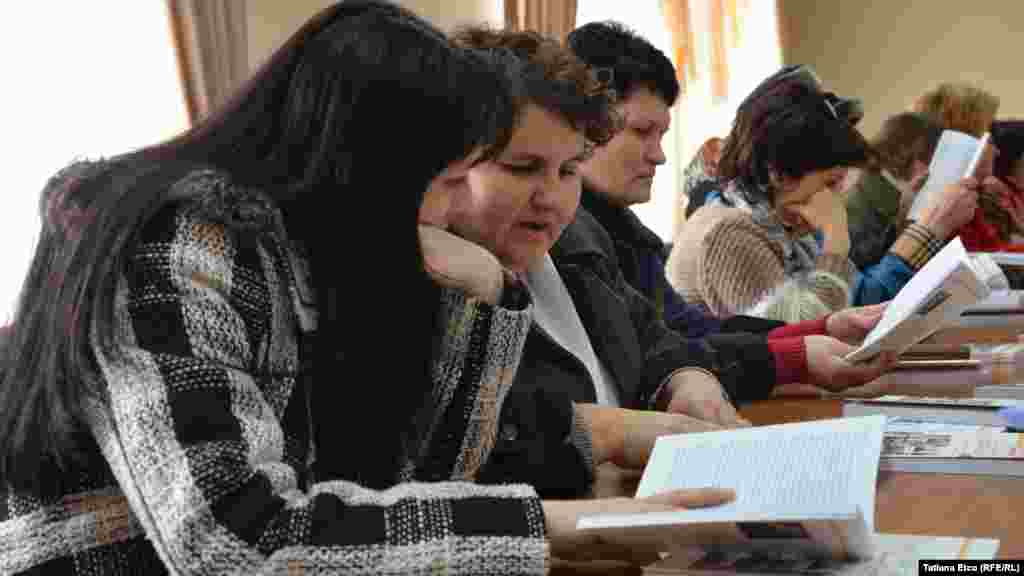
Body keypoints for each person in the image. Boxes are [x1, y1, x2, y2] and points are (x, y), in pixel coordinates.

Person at [0, 3, 735, 573]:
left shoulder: (328, 254)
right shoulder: (176, 248)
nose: (458, 208)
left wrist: (485, 293)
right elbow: (238, 545)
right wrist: (557, 528)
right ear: (369, 169)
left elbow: (420, 480)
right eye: (452, 179)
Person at [450, 26, 891, 499]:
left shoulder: (576, 242)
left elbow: (660, 340)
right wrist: (608, 431)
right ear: (447, 166)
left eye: (569, 170)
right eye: (522, 168)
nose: (552, 197)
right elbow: (472, 447)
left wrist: (685, 376)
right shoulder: (440, 282)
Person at [668, 66, 979, 320]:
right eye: (830, 183)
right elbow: (804, 335)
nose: (836, 198)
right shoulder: (730, 234)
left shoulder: (780, 222)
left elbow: (848, 310)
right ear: (778, 173)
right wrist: (835, 241)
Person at [845, 112, 943, 269]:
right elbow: (863, 265)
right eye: (931, 159)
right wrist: (900, 221)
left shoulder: (887, 188)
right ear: (905, 155)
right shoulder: (857, 202)